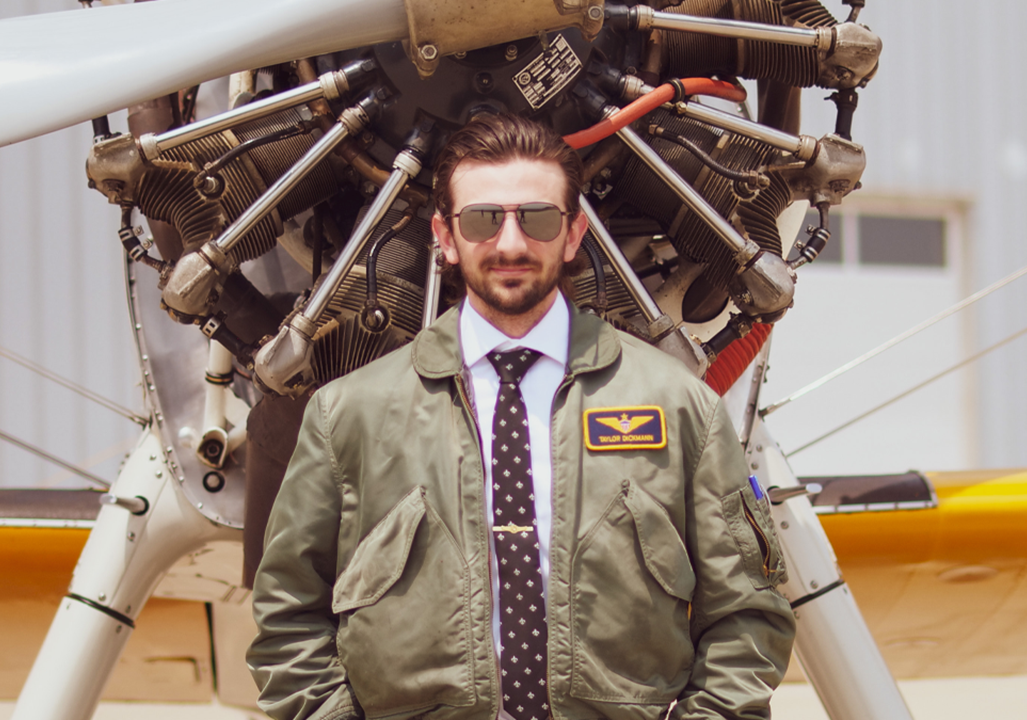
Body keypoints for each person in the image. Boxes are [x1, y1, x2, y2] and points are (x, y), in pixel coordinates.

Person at [248, 113, 795, 720]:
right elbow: (288, 613)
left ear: (573, 233)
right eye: (483, 219)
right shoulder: (345, 413)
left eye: (536, 218)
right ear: (445, 237)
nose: (510, 243)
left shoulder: (679, 402)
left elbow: (747, 615)